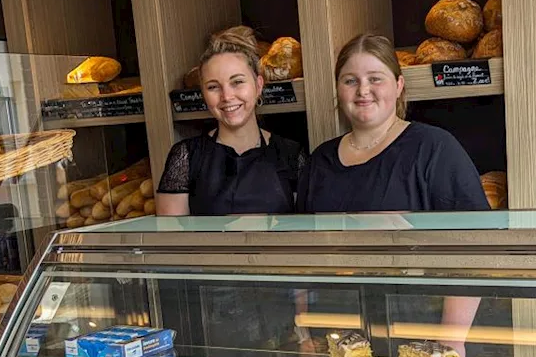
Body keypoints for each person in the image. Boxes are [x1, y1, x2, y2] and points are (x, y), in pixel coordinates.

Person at [297, 33, 489, 212]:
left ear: (398, 86)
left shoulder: (434, 148)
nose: (363, 90)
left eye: (375, 79)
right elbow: (302, 242)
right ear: (338, 89)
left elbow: (478, 236)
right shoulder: (320, 160)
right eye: (350, 81)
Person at [156, 26, 305, 215]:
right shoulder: (186, 156)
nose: (226, 96)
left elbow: (303, 236)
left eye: (237, 82)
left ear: (258, 86)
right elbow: (171, 241)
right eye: (213, 87)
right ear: (203, 94)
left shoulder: (291, 155)